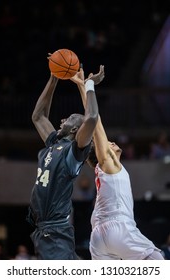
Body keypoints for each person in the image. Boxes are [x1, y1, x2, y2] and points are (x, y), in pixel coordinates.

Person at [74, 65, 164, 260]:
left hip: (97, 238)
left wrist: (82, 86)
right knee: (158, 261)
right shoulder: (109, 166)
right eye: (108, 143)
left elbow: (91, 121)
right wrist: (89, 86)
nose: (111, 142)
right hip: (119, 229)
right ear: (102, 152)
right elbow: (95, 121)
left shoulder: (105, 170)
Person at [27, 61, 102, 260]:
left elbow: (92, 118)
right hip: (46, 230)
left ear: (77, 130)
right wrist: (53, 78)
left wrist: (89, 86)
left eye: (68, 118)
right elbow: (38, 116)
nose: (62, 120)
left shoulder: (74, 152)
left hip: (54, 231)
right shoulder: (54, 143)